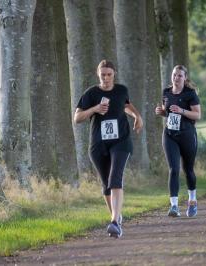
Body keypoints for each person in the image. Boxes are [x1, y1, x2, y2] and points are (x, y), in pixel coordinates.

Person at [74, 60, 143, 237]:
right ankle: (116, 216)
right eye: (103, 74)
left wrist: (137, 116)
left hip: (121, 142)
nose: (106, 78)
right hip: (98, 145)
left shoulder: (121, 90)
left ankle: (114, 222)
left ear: (114, 74)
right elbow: (77, 118)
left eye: (109, 74)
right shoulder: (91, 93)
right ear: (98, 74)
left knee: (115, 178)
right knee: (106, 185)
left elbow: (126, 105)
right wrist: (95, 109)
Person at [155, 65, 201, 218]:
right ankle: (174, 206)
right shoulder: (166, 92)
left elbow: (197, 115)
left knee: (188, 170)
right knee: (174, 169)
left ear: (185, 78)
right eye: (174, 74)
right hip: (170, 135)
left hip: (187, 135)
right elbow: (167, 111)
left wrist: (182, 111)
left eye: (180, 75)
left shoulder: (190, 94)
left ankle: (192, 201)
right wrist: (162, 112)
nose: (176, 78)